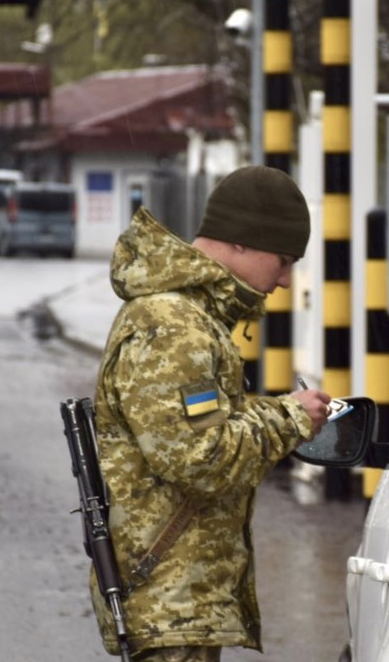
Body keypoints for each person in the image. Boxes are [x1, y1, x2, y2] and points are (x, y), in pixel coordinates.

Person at [89, 165, 331, 661]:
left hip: (180, 601)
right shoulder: (174, 327)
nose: (286, 281)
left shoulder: (190, 319)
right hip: (170, 601)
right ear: (240, 242)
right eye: (283, 260)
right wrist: (288, 419)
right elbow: (201, 459)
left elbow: (200, 427)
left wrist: (277, 414)